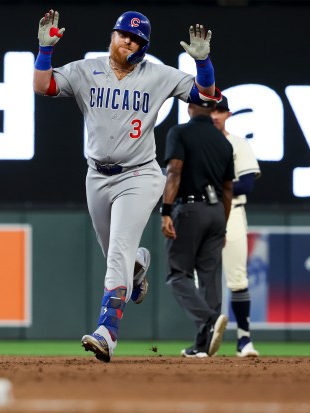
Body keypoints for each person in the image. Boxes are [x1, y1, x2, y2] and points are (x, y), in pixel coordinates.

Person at [33, 9, 221, 362]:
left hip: (139, 175)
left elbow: (205, 97)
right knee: (116, 255)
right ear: (113, 35)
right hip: (97, 176)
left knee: (117, 250)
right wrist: (45, 52)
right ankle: (137, 266)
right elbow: (43, 86)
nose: (128, 42)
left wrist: (204, 63)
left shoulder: (158, 75)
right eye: (123, 35)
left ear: (144, 46)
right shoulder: (86, 70)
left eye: (136, 39)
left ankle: (108, 331)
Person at [161, 100, 234, 358]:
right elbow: (228, 189)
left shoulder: (179, 132)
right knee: (209, 278)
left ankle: (210, 320)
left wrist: (166, 211)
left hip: (190, 209)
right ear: (211, 110)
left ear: (190, 107)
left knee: (177, 275)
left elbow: (174, 172)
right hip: (216, 213)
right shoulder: (223, 142)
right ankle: (202, 345)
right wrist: (223, 226)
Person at [211, 95, 261, 357]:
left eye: (220, 110)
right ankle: (203, 338)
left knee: (238, 278)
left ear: (228, 114)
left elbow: (246, 185)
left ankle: (244, 339)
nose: (215, 115)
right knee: (202, 279)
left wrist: (210, 185)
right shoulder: (194, 144)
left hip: (232, 213)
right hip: (201, 212)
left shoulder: (238, 144)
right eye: (211, 110)